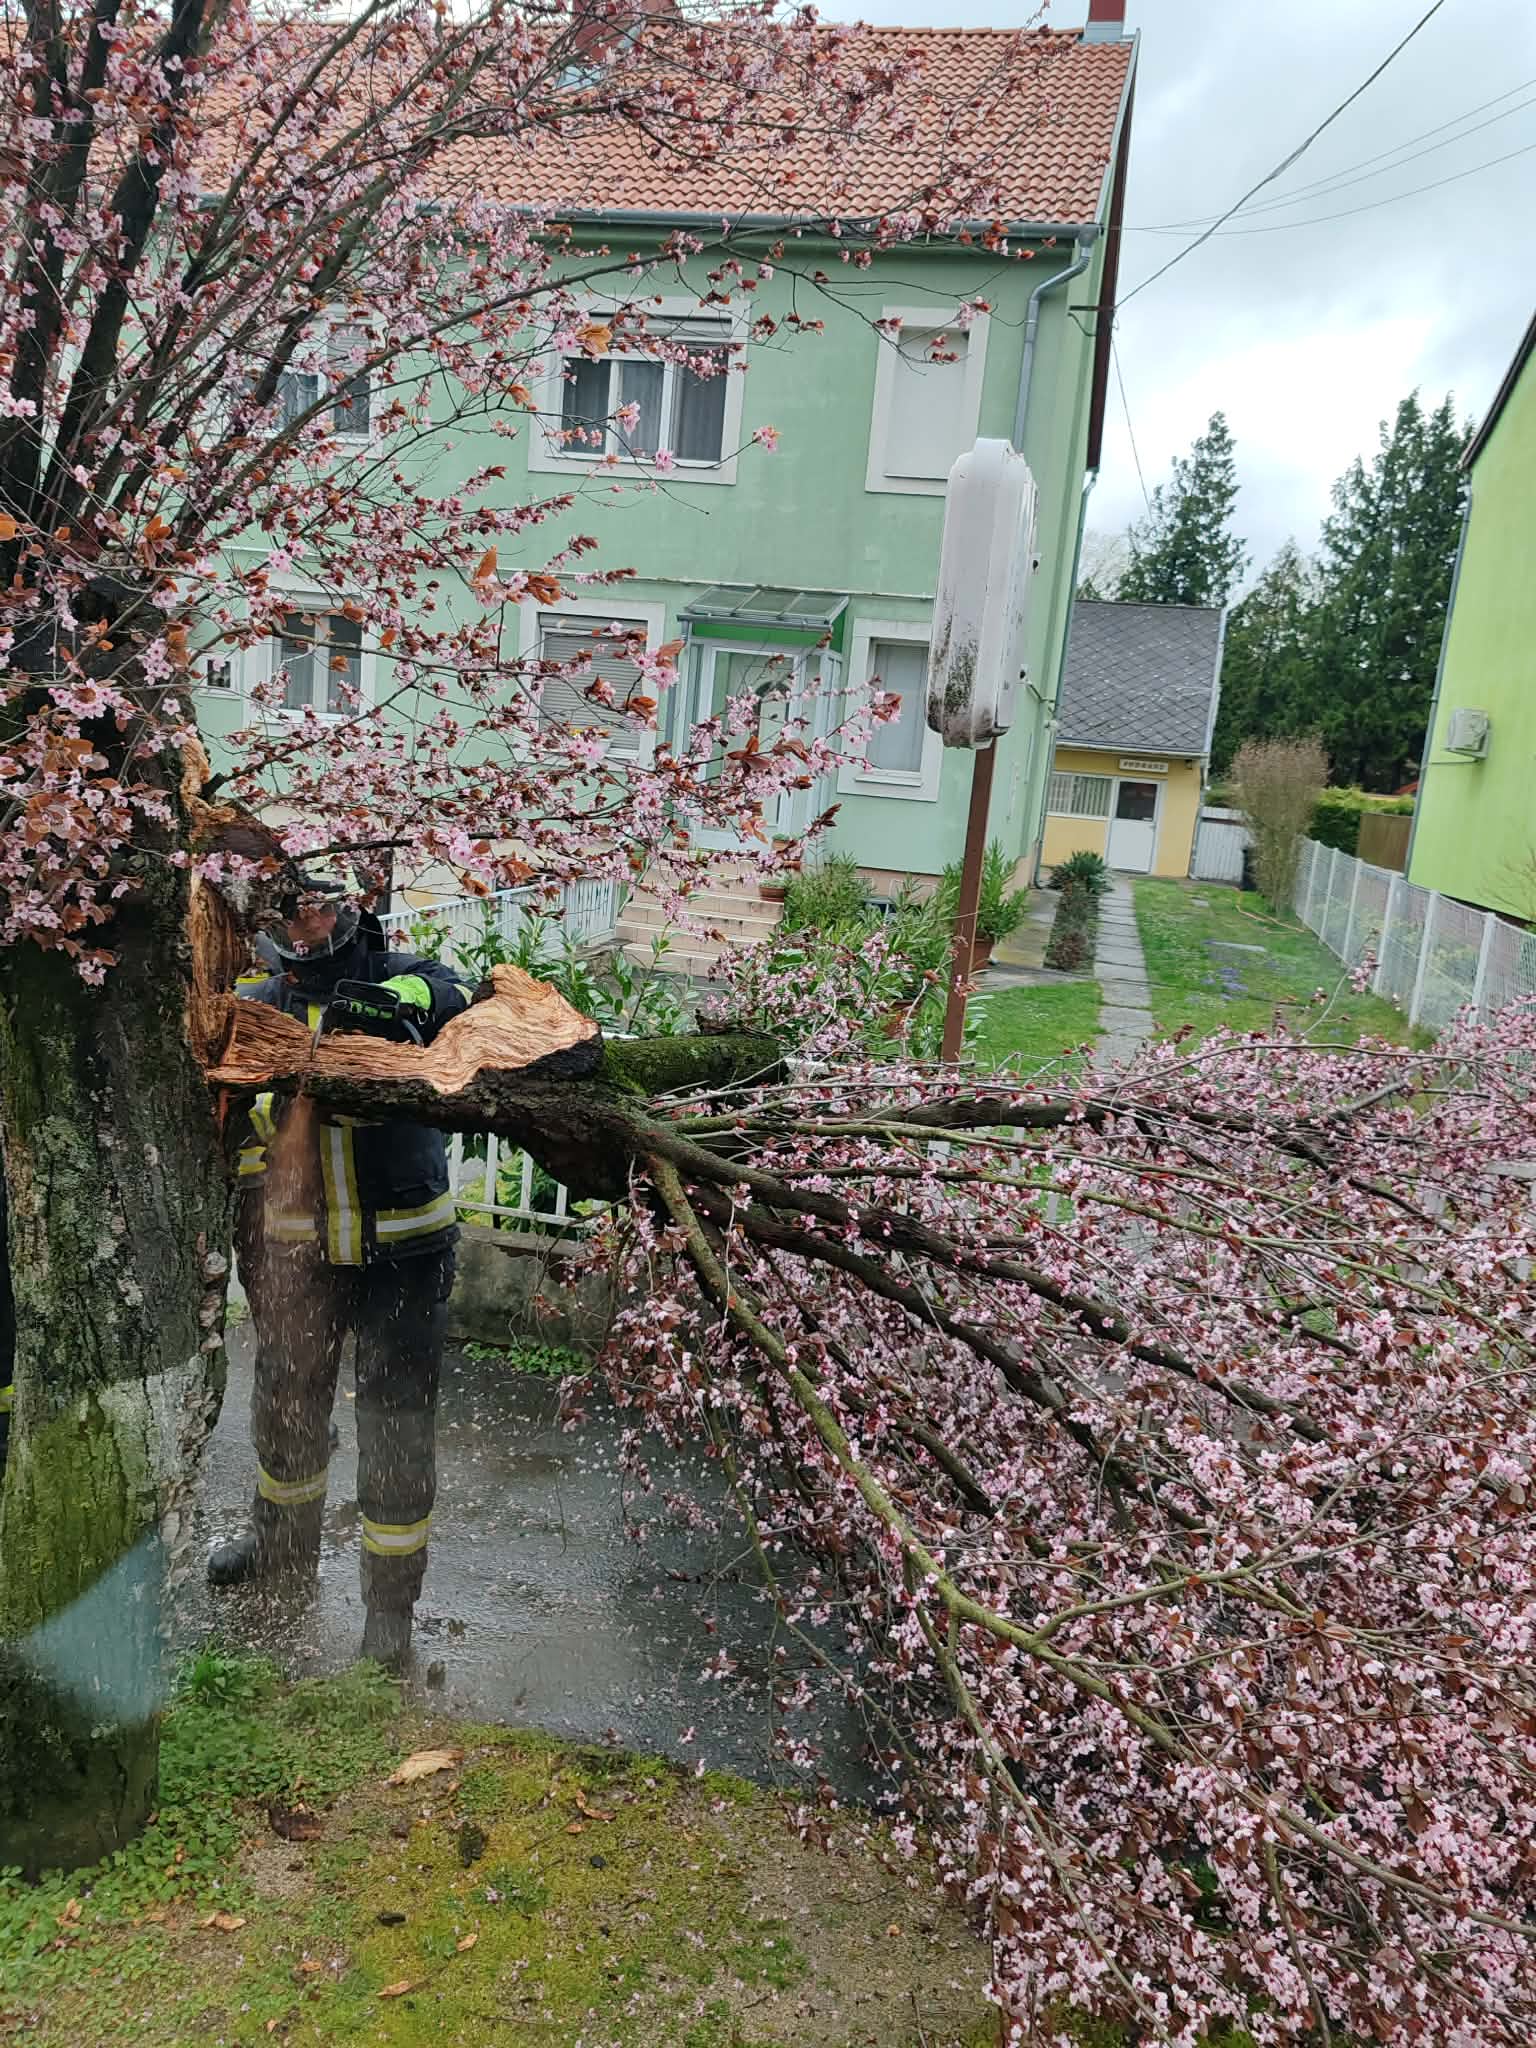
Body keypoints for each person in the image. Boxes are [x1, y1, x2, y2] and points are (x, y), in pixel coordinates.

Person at [209, 876, 470, 1671]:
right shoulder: (257, 1006)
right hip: (298, 1260)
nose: (305, 923)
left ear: (351, 911)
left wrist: (395, 1004)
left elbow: (452, 996)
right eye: (291, 911)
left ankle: (389, 1614)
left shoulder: (410, 977)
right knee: (285, 1413)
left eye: (319, 906)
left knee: (396, 1429)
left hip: (403, 1253)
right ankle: (279, 1556)